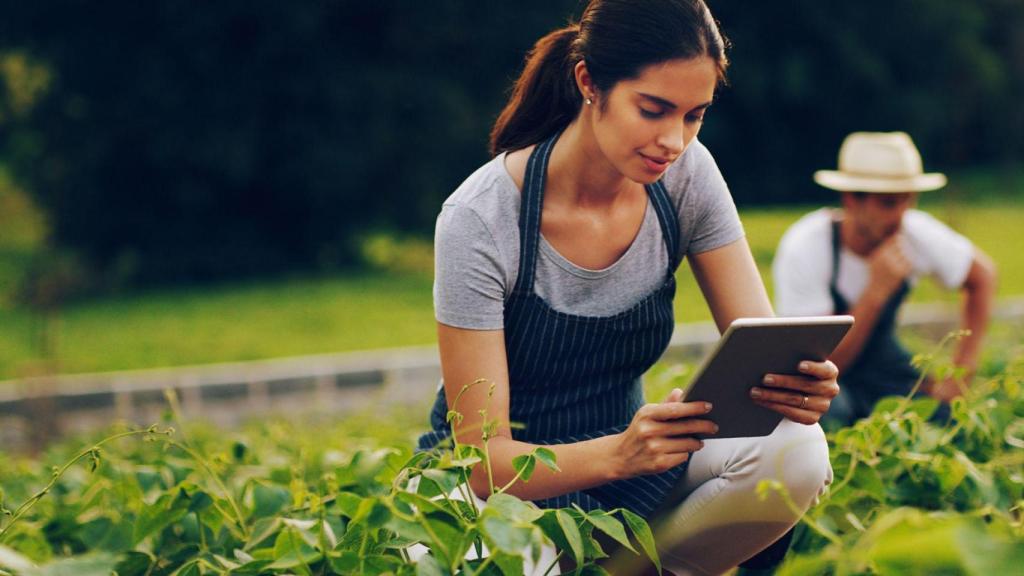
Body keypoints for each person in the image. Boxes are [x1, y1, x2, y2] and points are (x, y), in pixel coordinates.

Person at [416, 1, 838, 573]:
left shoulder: (687, 177)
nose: (674, 141)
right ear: (589, 82)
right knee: (503, 561)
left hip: (634, 463)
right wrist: (618, 454)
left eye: (694, 116)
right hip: (501, 487)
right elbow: (481, 460)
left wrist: (793, 386)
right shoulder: (481, 218)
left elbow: (758, 347)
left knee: (797, 450)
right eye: (654, 109)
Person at [772, 132, 997, 425]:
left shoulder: (912, 232)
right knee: (832, 415)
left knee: (943, 418)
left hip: (883, 365)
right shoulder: (806, 246)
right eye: (889, 203)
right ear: (851, 200)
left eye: (909, 201)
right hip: (823, 377)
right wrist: (875, 293)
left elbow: (983, 276)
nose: (901, 215)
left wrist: (961, 377)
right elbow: (818, 366)